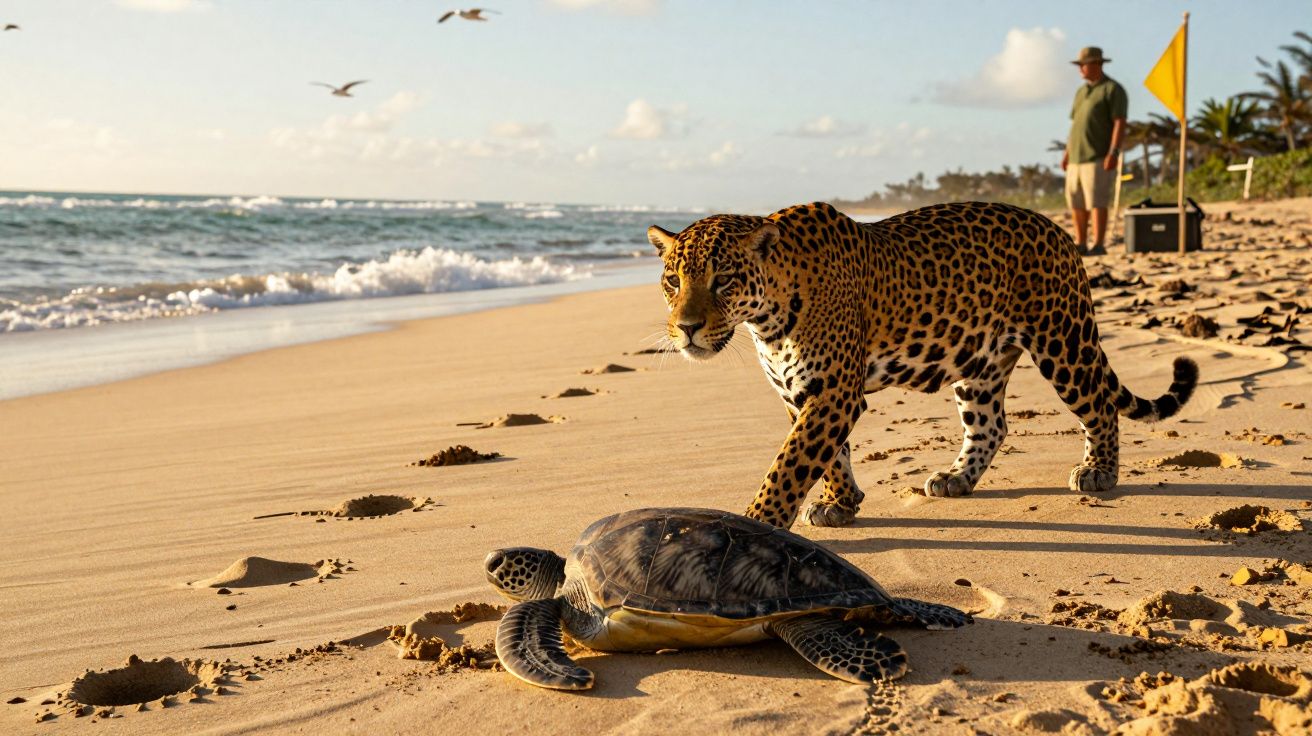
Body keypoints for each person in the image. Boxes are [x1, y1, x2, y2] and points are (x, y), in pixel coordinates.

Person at [1062, 47, 1127, 256]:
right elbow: (1075, 125)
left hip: (1097, 156)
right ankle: (1080, 243)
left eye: (1084, 64)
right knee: (1076, 201)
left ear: (1097, 64)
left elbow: (1120, 122)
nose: (1080, 69)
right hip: (1076, 157)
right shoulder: (1081, 92)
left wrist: (1114, 152)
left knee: (1097, 201)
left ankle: (1098, 244)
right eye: (1079, 65)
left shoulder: (1112, 89)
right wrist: (1067, 152)